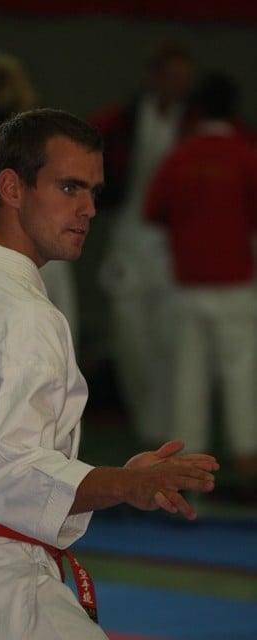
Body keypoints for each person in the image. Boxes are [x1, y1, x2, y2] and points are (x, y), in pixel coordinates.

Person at [0, 109, 219, 640]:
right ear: (12, 187)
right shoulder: (20, 313)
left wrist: (117, 478)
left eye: (94, 192)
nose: (88, 209)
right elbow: (16, 475)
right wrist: (126, 484)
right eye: (69, 187)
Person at [145, 73, 257, 478]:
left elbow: (153, 211)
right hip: (235, 282)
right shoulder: (246, 155)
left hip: (187, 284)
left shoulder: (180, 157)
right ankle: (246, 453)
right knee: (241, 371)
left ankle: (187, 459)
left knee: (187, 376)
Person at [91, 43, 196, 445]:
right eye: (170, 77)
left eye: (183, 78)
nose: (177, 85)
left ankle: (168, 426)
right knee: (132, 338)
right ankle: (147, 424)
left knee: (172, 340)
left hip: (177, 243)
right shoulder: (123, 120)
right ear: (153, 77)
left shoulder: (196, 121)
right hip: (131, 237)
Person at [0, 50, 79, 344]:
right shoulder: (46, 126)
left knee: (17, 325)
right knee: (55, 323)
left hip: (17, 240)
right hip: (48, 232)